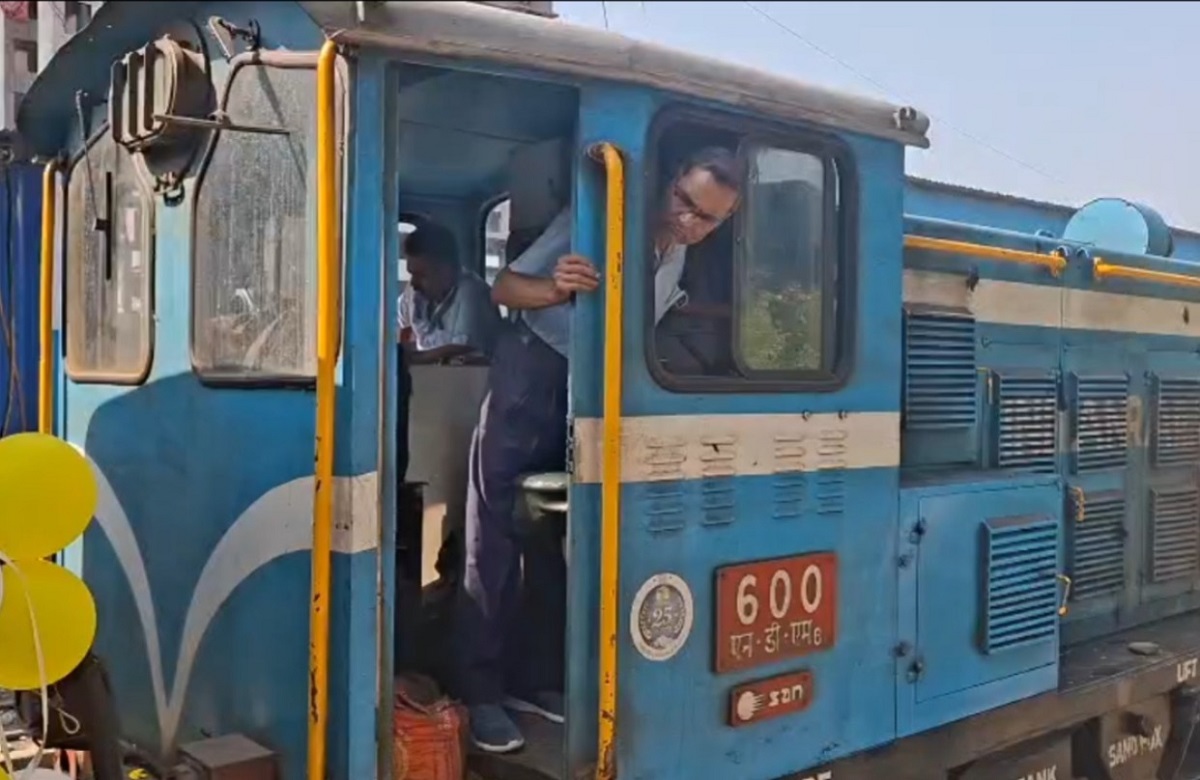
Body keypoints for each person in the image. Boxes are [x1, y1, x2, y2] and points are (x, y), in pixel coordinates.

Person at [457, 146, 744, 753]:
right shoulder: (595, 219)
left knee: (558, 535)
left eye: (709, 219)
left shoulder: (679, 252)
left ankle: (535, 680)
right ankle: (481, 693)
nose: (690, 222)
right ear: (670, 181)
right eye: (686, 204)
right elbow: (505, 288)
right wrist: (554, 287)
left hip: (587, 391)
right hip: (529, 375)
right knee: (494, 537)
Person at [398, 222, 500, 364]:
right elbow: (400, 326)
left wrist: (414, 359)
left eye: (421, 275)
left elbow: (464, 347)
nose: (413, 283)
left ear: (446, 270)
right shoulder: (414, 291)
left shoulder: (473, 295)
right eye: (412, 274)